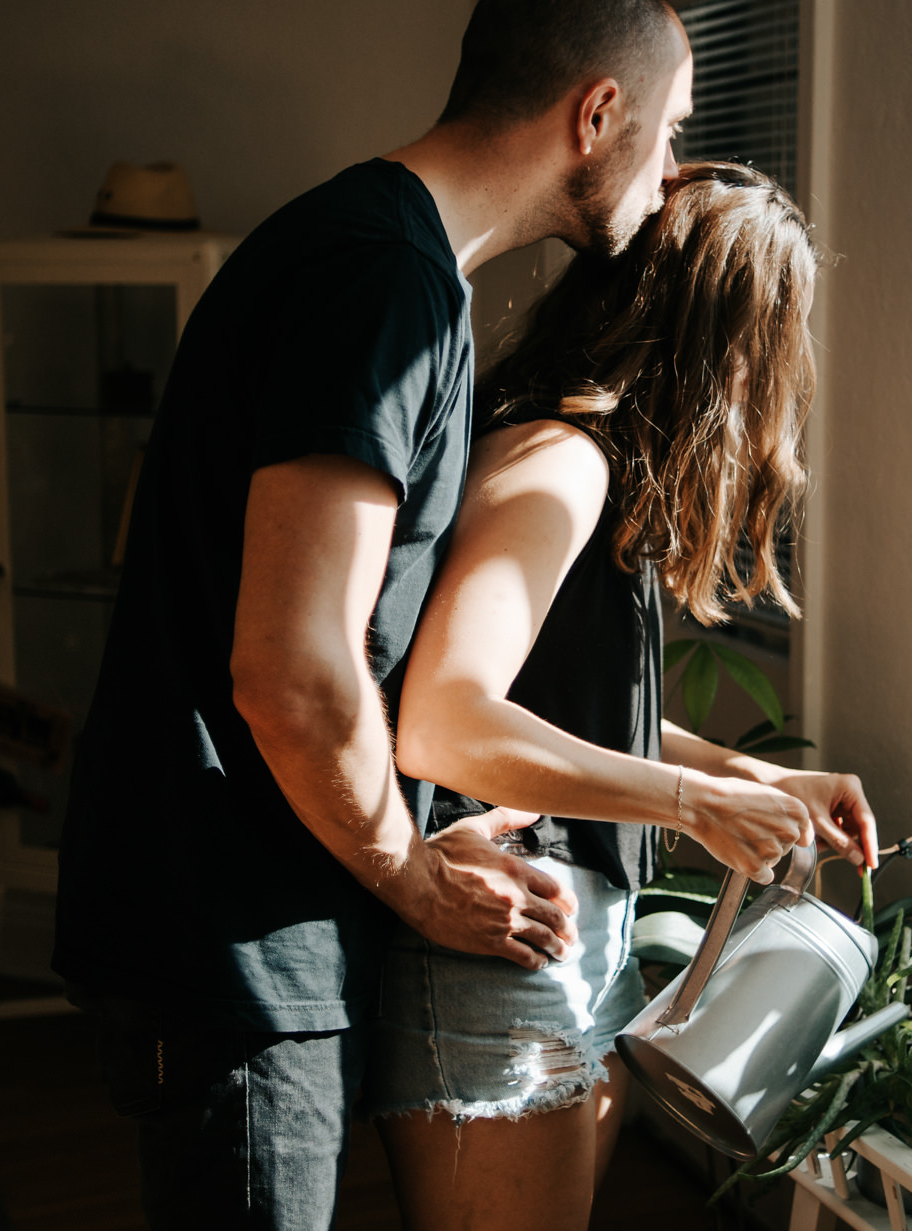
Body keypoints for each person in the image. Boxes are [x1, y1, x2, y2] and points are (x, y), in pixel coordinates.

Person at [51, 0, 837, 1230]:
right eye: (670, 129)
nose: (672, 172)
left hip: (257, 906)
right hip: (235, 922)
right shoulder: (383, 286)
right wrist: (416, 874)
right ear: (594, 114)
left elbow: (371, 658)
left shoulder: (381, 268)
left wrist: (731, 781)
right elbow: (292, 669)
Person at [368, 161, 879, 1231]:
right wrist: (693, 807)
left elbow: (568, 705)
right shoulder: (561, 461)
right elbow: (446, 718)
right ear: (723, 341)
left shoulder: (586, 461)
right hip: (503, 937)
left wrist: (748, 773)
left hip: (558, 938)